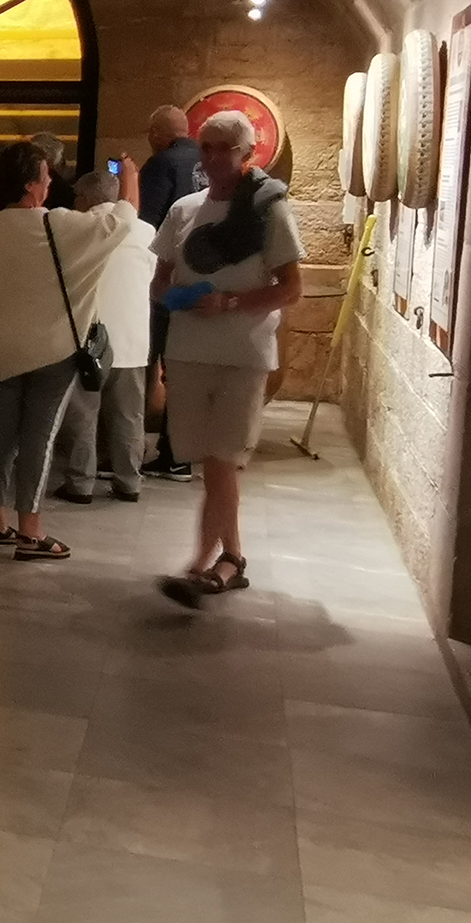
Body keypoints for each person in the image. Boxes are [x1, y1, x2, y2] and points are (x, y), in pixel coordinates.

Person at [0, 139, 142, 563]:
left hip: (1, 351)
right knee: (39, 439)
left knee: (1, 435)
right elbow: (121, 222)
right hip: (51, 350)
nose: (50, 183)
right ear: (31, 185)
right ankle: (31, 531)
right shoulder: (55, 224)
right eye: (46, 176)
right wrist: (130, 179)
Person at [155, 111, 304, 606]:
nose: (215, 157)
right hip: (188, 352)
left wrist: (231, 303)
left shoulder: (267, 211)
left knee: (222, 459)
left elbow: (291, 289)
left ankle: (200, 561)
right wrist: (175, 297)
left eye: (226, 148)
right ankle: (232, 558)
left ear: (248, 154)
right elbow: (159, 280)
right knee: (210, 463)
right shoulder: (183, 210)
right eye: (208, 147)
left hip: (242, 353)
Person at [51, 171, 155, 503]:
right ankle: (129, 482)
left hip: (89, 338)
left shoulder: (78, 227)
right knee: (129, 415)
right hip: (132, 338)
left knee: (83, 414)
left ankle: (80, 483)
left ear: (85, 199)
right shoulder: (146, 231)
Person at [138, 104, 206, 483]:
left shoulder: (161, 164)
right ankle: (180, 454)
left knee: (145, 363)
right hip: (200, 283)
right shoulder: (206, 162)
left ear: (157, 134)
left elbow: (146, 223)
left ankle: (128, 448)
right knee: (182, 371)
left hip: (164, 282)